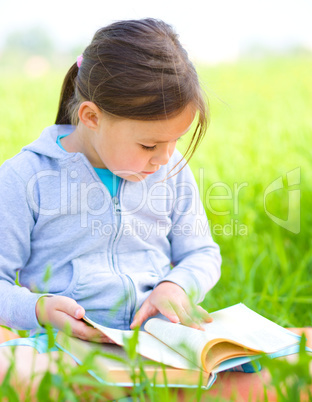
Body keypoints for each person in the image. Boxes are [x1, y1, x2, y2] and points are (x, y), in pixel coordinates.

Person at [0, 18, 221, 388]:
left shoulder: (172, 172)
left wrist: (177, 286)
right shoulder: (25, 178)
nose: (165, 158)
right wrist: (38, 309)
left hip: (156, 345)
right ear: (91, 117)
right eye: (150, 145)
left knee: (289, 370)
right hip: (61, 349)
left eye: (175, 141)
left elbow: (202, 253)